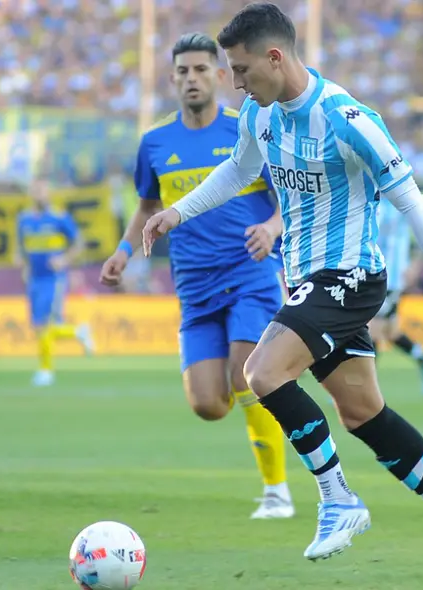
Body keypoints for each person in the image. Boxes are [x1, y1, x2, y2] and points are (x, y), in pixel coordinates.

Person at [141, 4, 423, 580]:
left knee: (261, 372)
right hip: (308, 279)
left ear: (275, 58)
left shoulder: (347, 117)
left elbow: (413, 202)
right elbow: (236, 172)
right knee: (362, 414)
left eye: (242, 69)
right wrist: (177, 212)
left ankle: (338, 500)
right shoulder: (259, 114)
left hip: (352, 276)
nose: (235, 82)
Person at [101, 32, 293, 520]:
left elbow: (288, 199)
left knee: (246, 375)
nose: (192, 78)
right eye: (183, 71)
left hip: (251, 273)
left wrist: (271, 230)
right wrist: (124, 251)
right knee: (209, 403)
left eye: (202, 69)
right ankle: (272, 394)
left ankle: (277, 492)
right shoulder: (154, 142)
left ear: (222, 76)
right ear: (172, 79)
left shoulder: (247, 130)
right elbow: (148, 204)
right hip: (194, 285)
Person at [15, 178, 95, 387]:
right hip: (34, 278)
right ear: (31, 193)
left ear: (48, 193)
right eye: (36, 191)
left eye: (43, 191)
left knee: (45, 325)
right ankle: (78, 332)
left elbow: (79, 242)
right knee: (38, 326)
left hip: (53, 279)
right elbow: (21, 247)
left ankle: (46, 371)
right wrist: (23, 264)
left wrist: (64, 259)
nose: (39, 195)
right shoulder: (24, 219)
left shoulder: (59, 217)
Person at [370, 202, 423, 396]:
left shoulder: (400, 195)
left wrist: (416, 266)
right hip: (371, 272)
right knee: (391, 331)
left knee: (371, 329)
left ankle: (364, 390)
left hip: (392, 276)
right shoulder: (370, 192)